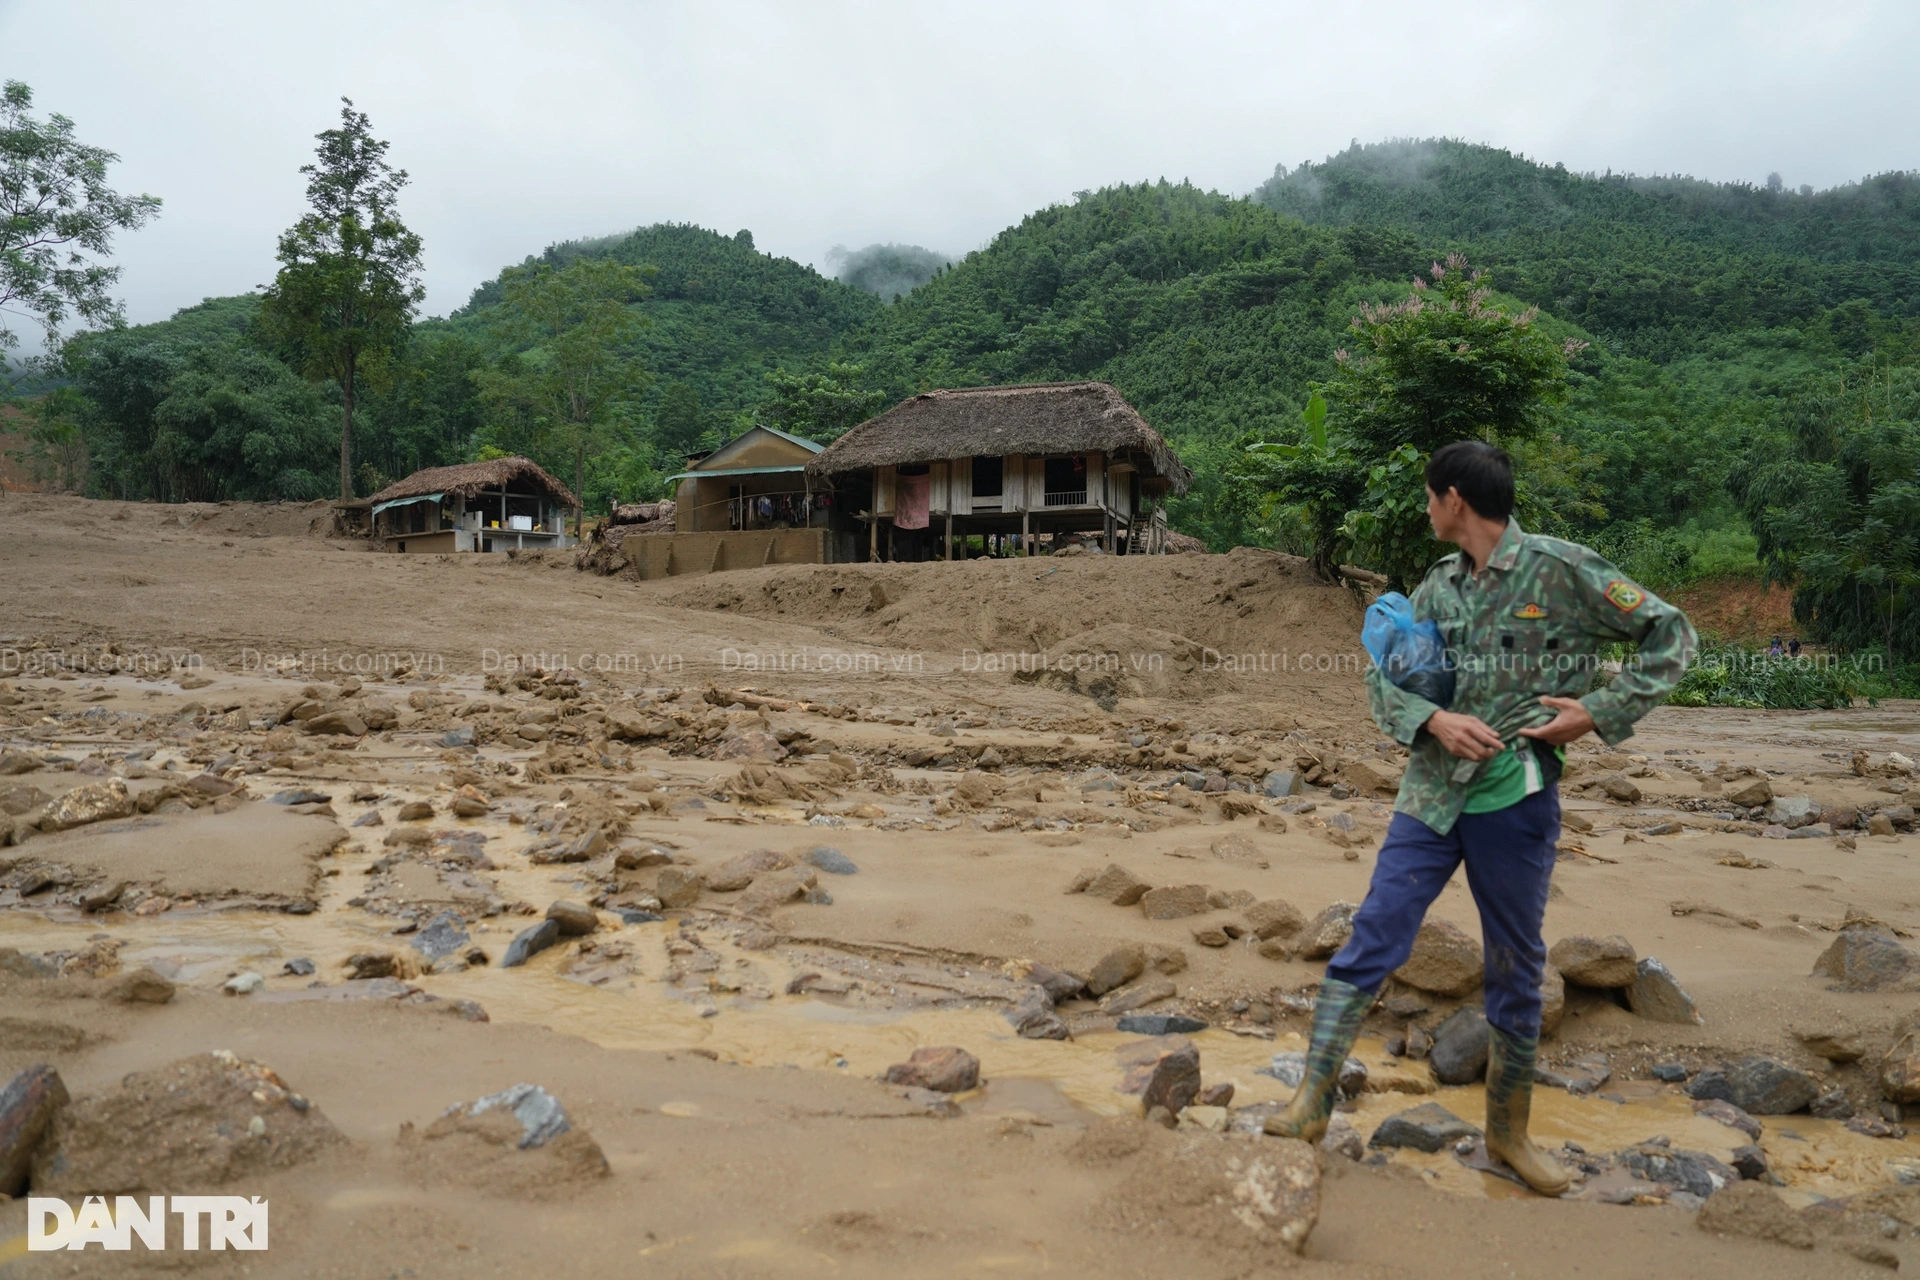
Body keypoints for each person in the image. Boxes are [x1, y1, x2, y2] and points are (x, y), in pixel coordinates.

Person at [1265, 440, 1696, 1195]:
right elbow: (1384, 684)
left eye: (1429, 497)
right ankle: (1309, 1103)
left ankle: (1508, 1138)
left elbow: (1673, 635)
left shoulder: (1562, 568)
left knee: (1514, 964)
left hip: (1515, 796)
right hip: (1430, 796)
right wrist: (1433, 719)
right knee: (1375, 932)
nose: (1426, 510)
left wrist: (1595, 711)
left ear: (1454, 499)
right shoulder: (1436, 588)